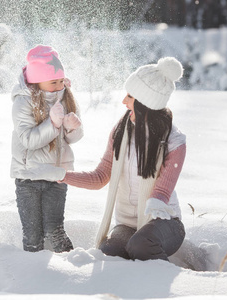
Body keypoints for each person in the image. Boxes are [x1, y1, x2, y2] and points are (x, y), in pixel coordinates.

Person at [61, 57, 186, 261]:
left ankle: (163, 281)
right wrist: (62, 176)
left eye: (130, 96)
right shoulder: (121, 131)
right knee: (109, 253)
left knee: (141, 244)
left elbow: (164, 187)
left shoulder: (173, 140)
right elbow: (100, 176)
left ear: (146, 102)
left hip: (165, 222)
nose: (124, 102)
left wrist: (156, 202)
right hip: (128, 224)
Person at [10, 45, 83, 253]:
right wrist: (53, 124)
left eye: (61, 80)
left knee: (55, 231)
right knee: (33, 235)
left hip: (57, 175)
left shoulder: (66, 97)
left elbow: (74, 138)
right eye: (53, 82)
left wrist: (70, 128)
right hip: (29, 177)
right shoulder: (23, 102)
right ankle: (32, 276)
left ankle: (72, 270)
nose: (59, 86)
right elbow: (29, 140)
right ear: (37, 81)